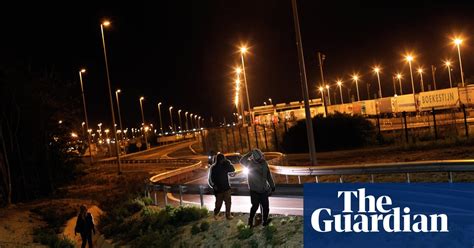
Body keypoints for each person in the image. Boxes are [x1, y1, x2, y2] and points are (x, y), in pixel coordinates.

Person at [240, 148, 275, 227]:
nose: (261, 159)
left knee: (266, 207)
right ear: (255, 158)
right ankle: (250, 220)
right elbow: (241, 161)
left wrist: (272, 185)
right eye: (259, 158)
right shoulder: (250, 163)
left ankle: (264, 221)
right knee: (255, 206)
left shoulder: (264, 163)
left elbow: (268, 175)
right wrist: (249, 153)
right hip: (254, 191)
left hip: (264, 190)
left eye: (261, 157)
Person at [208, 153, 236, 220]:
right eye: (222, 159)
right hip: (218, 189)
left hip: (226, 188)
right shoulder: (213, 167)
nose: (223, 160)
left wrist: (227, 162)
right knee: (218, 204)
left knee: (228, 202)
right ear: (219, 159)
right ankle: (216, 214)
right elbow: (210, 178)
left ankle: (228, 215)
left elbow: (232, 169)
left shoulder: (225, 165)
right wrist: (213, 186)